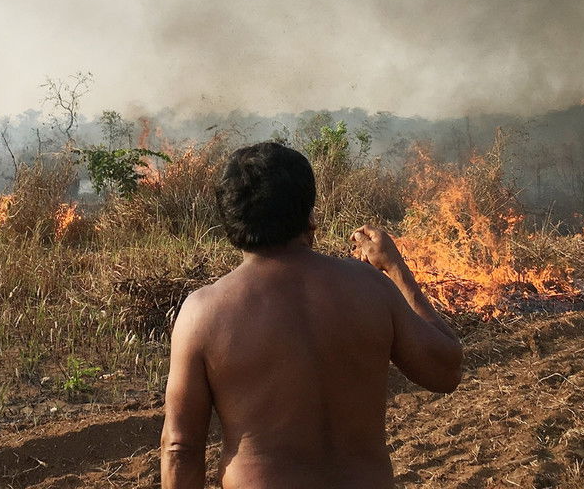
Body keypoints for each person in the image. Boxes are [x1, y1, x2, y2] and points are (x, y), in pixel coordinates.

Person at [161, 142, 463, 489]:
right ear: (309, 215)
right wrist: (395, 269)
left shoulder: (204, 314)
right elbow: (445, 371)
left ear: (229, 218)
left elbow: (180, 448)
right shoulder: (369, 287)